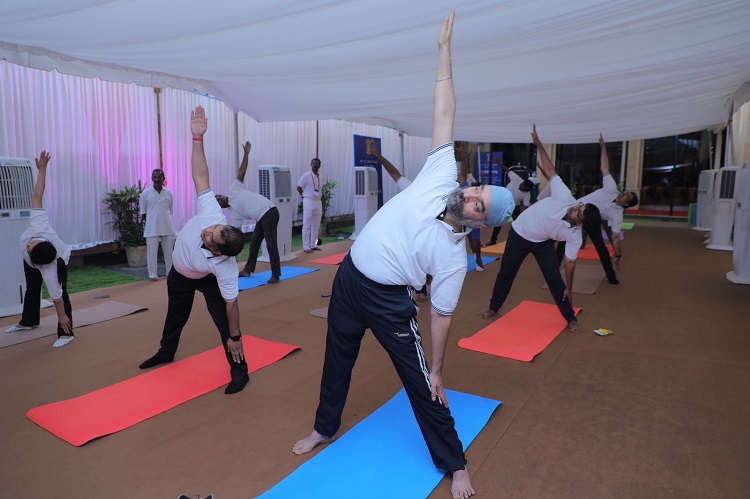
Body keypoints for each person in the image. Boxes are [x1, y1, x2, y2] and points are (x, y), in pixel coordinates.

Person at [293, 10, 514, 499]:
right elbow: (444, 110)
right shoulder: (441, 175)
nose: (469, 195)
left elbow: (441, 315)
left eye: (478, 203)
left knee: (422, 383)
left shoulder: (454, 260)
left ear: (480, 222)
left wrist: (438, 367)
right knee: (337, 357)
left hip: (389, 301)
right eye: (475, 188)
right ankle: (324, 428)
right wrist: (443, 50)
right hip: (349, 278)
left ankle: (455, 462)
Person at [139, 105, 249, 395]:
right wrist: (197, 138)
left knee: (225, 323)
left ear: (219, 252)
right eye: (212, 229)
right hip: (179, 274)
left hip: (206, 278)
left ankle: (240, 371)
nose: (206, 231)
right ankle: (166, 352)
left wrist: (236, 335)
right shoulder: (213, 213)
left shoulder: (224, 268)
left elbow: (232, 305)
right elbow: (201, 176)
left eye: (210, 237)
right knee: (176, 315)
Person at [479, 124, 601, 333]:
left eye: (579, 212)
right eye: (579, 205)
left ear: (580, 222)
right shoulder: (565, 197)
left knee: (554, 279)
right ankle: (493, 307)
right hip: (519, 233)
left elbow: (569, 263)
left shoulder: (574, 236)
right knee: (506, 273)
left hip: (542, 242)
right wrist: (538, 144)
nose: (575, 207)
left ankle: (570, 318)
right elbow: (551, 171)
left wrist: (569, 288)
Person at [4, 151, 74, 348]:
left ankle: (66, 333)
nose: (27, 245)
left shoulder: (50, 268)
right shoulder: (39, 225)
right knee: (32, 287)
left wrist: (61, 316)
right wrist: (42, 170)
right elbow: (37, 195)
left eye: (29, 247)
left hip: (55, 259)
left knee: (61, 293)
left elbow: (56, 297)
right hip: (36, 259)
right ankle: (29, 321)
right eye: (30, 246)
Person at [366, 139, 431, 302]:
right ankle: (414, 289)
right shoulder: (411, 188)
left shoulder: (432, 198)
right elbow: (393, 172)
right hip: (405, 234)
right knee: (406, 261)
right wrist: (378, 155)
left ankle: (423, 289)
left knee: (421, 261)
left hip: (423, 236)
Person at [571, 133, 638, 284]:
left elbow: (615, 237)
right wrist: (603, 147)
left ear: (626, 204)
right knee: (563, 240)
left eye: (627, 196)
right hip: (575, 210)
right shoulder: (611, 188)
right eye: (626, 192)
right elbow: (605, 167)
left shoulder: (617, 215)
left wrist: (618, 255)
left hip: (591, 219)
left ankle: (611, 277)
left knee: (601, 247)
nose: (624, 193)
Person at [215, 141, 281, 284]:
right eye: (218, 200)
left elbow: (242, 172)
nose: (220, 198)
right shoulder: (234, 215)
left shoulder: (234, 190)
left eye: (219, 195)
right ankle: (248, 269)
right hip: (261, 217)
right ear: (221, 206)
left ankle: (276, 274)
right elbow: (235, 234)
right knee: (254, 243)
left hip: (269, 211)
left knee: (270, 244)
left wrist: (246, 154)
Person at [140, 168, 176, 281]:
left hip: (167, 226)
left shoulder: (169, 193)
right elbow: (143, 213)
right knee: (151, 253)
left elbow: (170, 211)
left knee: (169, 253)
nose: (157, 179)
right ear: (152, 178)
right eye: (155, 177)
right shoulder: (145, 194)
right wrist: (150, 223)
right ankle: (152, 275)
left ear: (163, 178)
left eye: (159, 177)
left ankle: (170, 273)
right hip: (152, 227)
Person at [486, 163, 533, 246]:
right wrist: (499, 164)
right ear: (523, 183)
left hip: (515, 206)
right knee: (499, 222)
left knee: (518, 223)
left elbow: (526, 206)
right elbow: (507, 170)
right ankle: (493, 240)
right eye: (524, 188)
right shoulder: (516, 179)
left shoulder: (527, 193)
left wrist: (528, 215)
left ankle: (521, 241)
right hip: (504, 203)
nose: (524, 190)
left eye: (526, 190)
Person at [297, 158, 323, 253]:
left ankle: (314, 244)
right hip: (308, 200)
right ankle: (306, 246)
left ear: (319, 166)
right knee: (307, 224)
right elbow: (299, 187)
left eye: (317, 163)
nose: (315, 165)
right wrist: (304, 196)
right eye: (313, 163)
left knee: (316, 224)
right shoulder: (306, 176)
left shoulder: (321, 177)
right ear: (310, 164)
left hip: (318, 201)